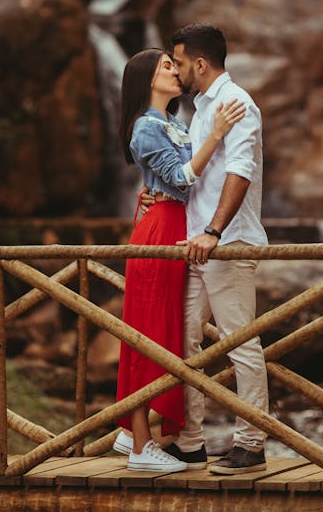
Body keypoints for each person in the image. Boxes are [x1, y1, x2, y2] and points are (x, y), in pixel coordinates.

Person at [143, 23, 269, 475]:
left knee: (240, 344)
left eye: (177, 62)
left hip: (226, 244)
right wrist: (161, 196)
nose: (174, 70)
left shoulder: (236, 104)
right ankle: (191, 442)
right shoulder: (199, 110)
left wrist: (214, 232)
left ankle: (251, 444)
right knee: (182, 339)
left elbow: (240, 171)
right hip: (195, 246)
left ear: (199, 63)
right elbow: (195, 174)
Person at [114, 47, 245, 473]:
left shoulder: (174, 122)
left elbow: (174, 180)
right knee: (145, 334)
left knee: (167, 336)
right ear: (147, 79)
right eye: (166, 66)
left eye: (175, 63)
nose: (176, 71)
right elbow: (182, 180)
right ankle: (139, 447)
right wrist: (217, 132)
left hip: (176, 227)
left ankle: (137, 434)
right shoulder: (145, 128)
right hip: (160, 232)